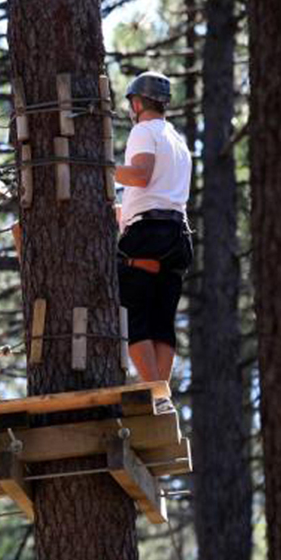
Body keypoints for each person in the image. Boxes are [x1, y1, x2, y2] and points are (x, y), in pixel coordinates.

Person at [114, 71, 193, 404]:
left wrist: (100, 167)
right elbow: (158, 191)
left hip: (148, 236)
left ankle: (156, 394)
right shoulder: (177, 140)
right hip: (177, 238)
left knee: (136, 319)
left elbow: (142, 176)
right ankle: (161, 397)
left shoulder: (144, 131)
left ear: (135, 103)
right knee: (163, 322)